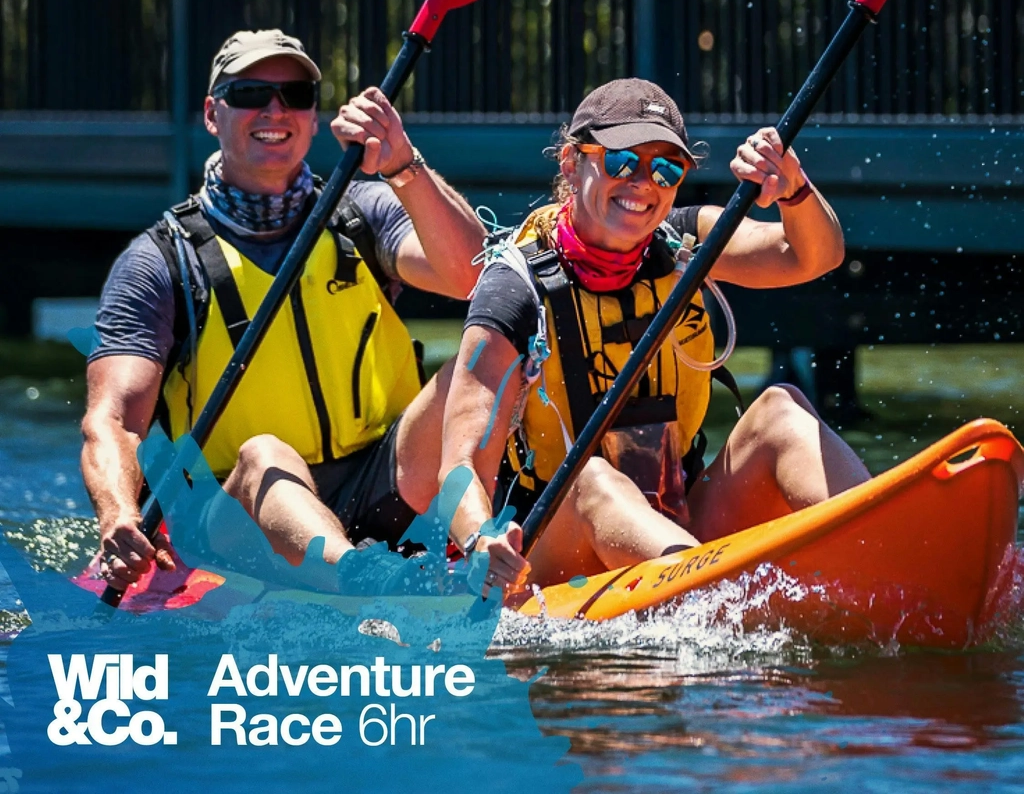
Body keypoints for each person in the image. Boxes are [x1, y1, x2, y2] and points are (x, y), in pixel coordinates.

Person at [82, 29, 485, 591]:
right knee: (265, 453)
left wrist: (404, 166)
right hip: (234, 519)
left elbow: (470, 277)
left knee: (480, 359)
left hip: (376, 490)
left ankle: (488, 544)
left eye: (294, 95)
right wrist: (119, 513)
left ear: (313, 118)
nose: (275, 109)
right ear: (211, 114)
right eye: (250, 93)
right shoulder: (161, 262)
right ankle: (358, 582)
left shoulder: (360, 213)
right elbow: (115, 419)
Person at [440, 78, 871, 595]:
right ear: (572, 164)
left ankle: (883, 542)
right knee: (594, 480)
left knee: (781, 406)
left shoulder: (686, 245)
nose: (644, 182)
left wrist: (794, 190)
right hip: (550, 559)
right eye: (623, 161)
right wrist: (480, 538)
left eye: (666, 169)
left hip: (676, 527)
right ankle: (719, 602)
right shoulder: (513, 289)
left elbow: (814, 256)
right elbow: (458, 465)